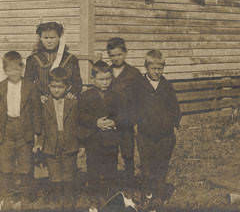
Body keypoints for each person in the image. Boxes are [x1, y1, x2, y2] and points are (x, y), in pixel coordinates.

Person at [0, 51, 41, 206]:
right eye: (9, 70)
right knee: (6, 164)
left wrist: (37, 133)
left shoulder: (30, 87)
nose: (14, 73)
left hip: (24, 128)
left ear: (22, 68)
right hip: (6, 128)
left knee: (25, 164)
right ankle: (9, 196)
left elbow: (36, 111)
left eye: (17, 69)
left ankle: (26, 196)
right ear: (4, 70)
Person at [134, 50, 181, 208]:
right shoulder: (139, 85)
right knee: (147, 166)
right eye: (154, 69)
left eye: (160, 69)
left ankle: (158, 196)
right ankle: (147, 194)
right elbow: (133, 107)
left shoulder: (166, 86)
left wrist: (175, 125)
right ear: (146, 67)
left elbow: (175, 108)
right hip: (145, 134)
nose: (157, 72)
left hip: (165, 135)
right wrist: (136, 124)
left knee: (161, 165)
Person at [78, 60, 126, 205]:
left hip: (111, 138)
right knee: (93, 167)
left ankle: (110, 195)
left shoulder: (116, 95)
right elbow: (80, 116)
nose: (105, 82)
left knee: (111, 167)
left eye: (108, 79)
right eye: (101, 79)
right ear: (93, 79)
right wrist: (95, 122)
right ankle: (94, 196)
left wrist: (114, 122)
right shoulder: (86, 96)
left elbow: (123, 113)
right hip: (93, 139)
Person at [35, 67, 79, 211]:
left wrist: (81, 144)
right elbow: (41, 125)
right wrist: (39, 143)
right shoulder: (45, 103)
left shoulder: (73, 102)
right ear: (48, 86)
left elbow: (78, 123)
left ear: (67, 87)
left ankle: (68, 203)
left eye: (60, 87)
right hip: (51, 143)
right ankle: (57, 203)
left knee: (68, 175)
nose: (56, 90)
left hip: (69, 142)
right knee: (54, 176)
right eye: (53, 86)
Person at [106, 37, 142, 188]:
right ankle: (112, 185)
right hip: (109, 121)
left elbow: (139, 99)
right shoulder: (106, 72)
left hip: (126, 121)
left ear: (125, 53)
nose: (116, 58)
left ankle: (130, 185)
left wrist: (134, 119)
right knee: (110, 153)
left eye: (119, 54)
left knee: (127, 153)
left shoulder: (133, 73)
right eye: (112, 55)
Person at [24, 21, 82, 101]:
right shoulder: (33, 59)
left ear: (59, 38)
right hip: (42, 102)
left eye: (52, 38)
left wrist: (72, 93)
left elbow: (77, 82)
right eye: (45, 38)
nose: (49, 41)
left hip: (65, 100)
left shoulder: (70, 59)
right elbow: (28, 84)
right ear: (40, 38)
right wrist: (38, 96)